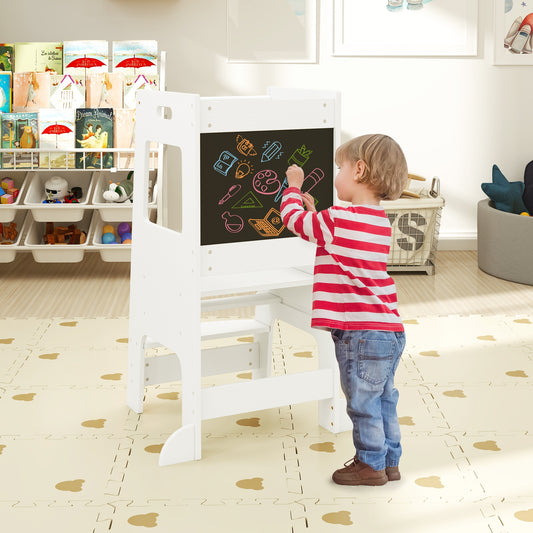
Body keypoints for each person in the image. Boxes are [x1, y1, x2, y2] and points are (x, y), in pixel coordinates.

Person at [280, 134, 409, 486]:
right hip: (389, 330)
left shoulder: (336, 220)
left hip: (359, 332)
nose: (337, 174)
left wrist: (293, 187)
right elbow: (335, 239)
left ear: (359, 170)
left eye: (340, 168)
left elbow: (293, 220)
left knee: (362, 404)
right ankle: (389, 462)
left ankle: (369, 465)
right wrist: (316, 215)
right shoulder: (378, 223)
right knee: (383, 399)